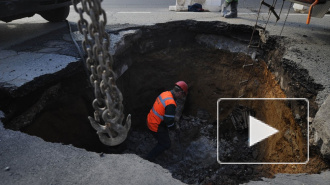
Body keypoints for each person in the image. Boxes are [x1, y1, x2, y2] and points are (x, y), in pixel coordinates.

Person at [146, 81, 188, 162]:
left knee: (164, 134)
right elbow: (169, 122)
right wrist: (174, 127)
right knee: (166, 144)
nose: (182, 97)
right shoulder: (171, 103)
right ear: (180, 93)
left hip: (150, 119)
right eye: (183, 95)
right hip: (155, 125)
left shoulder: (165, 93)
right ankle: (149, 159)